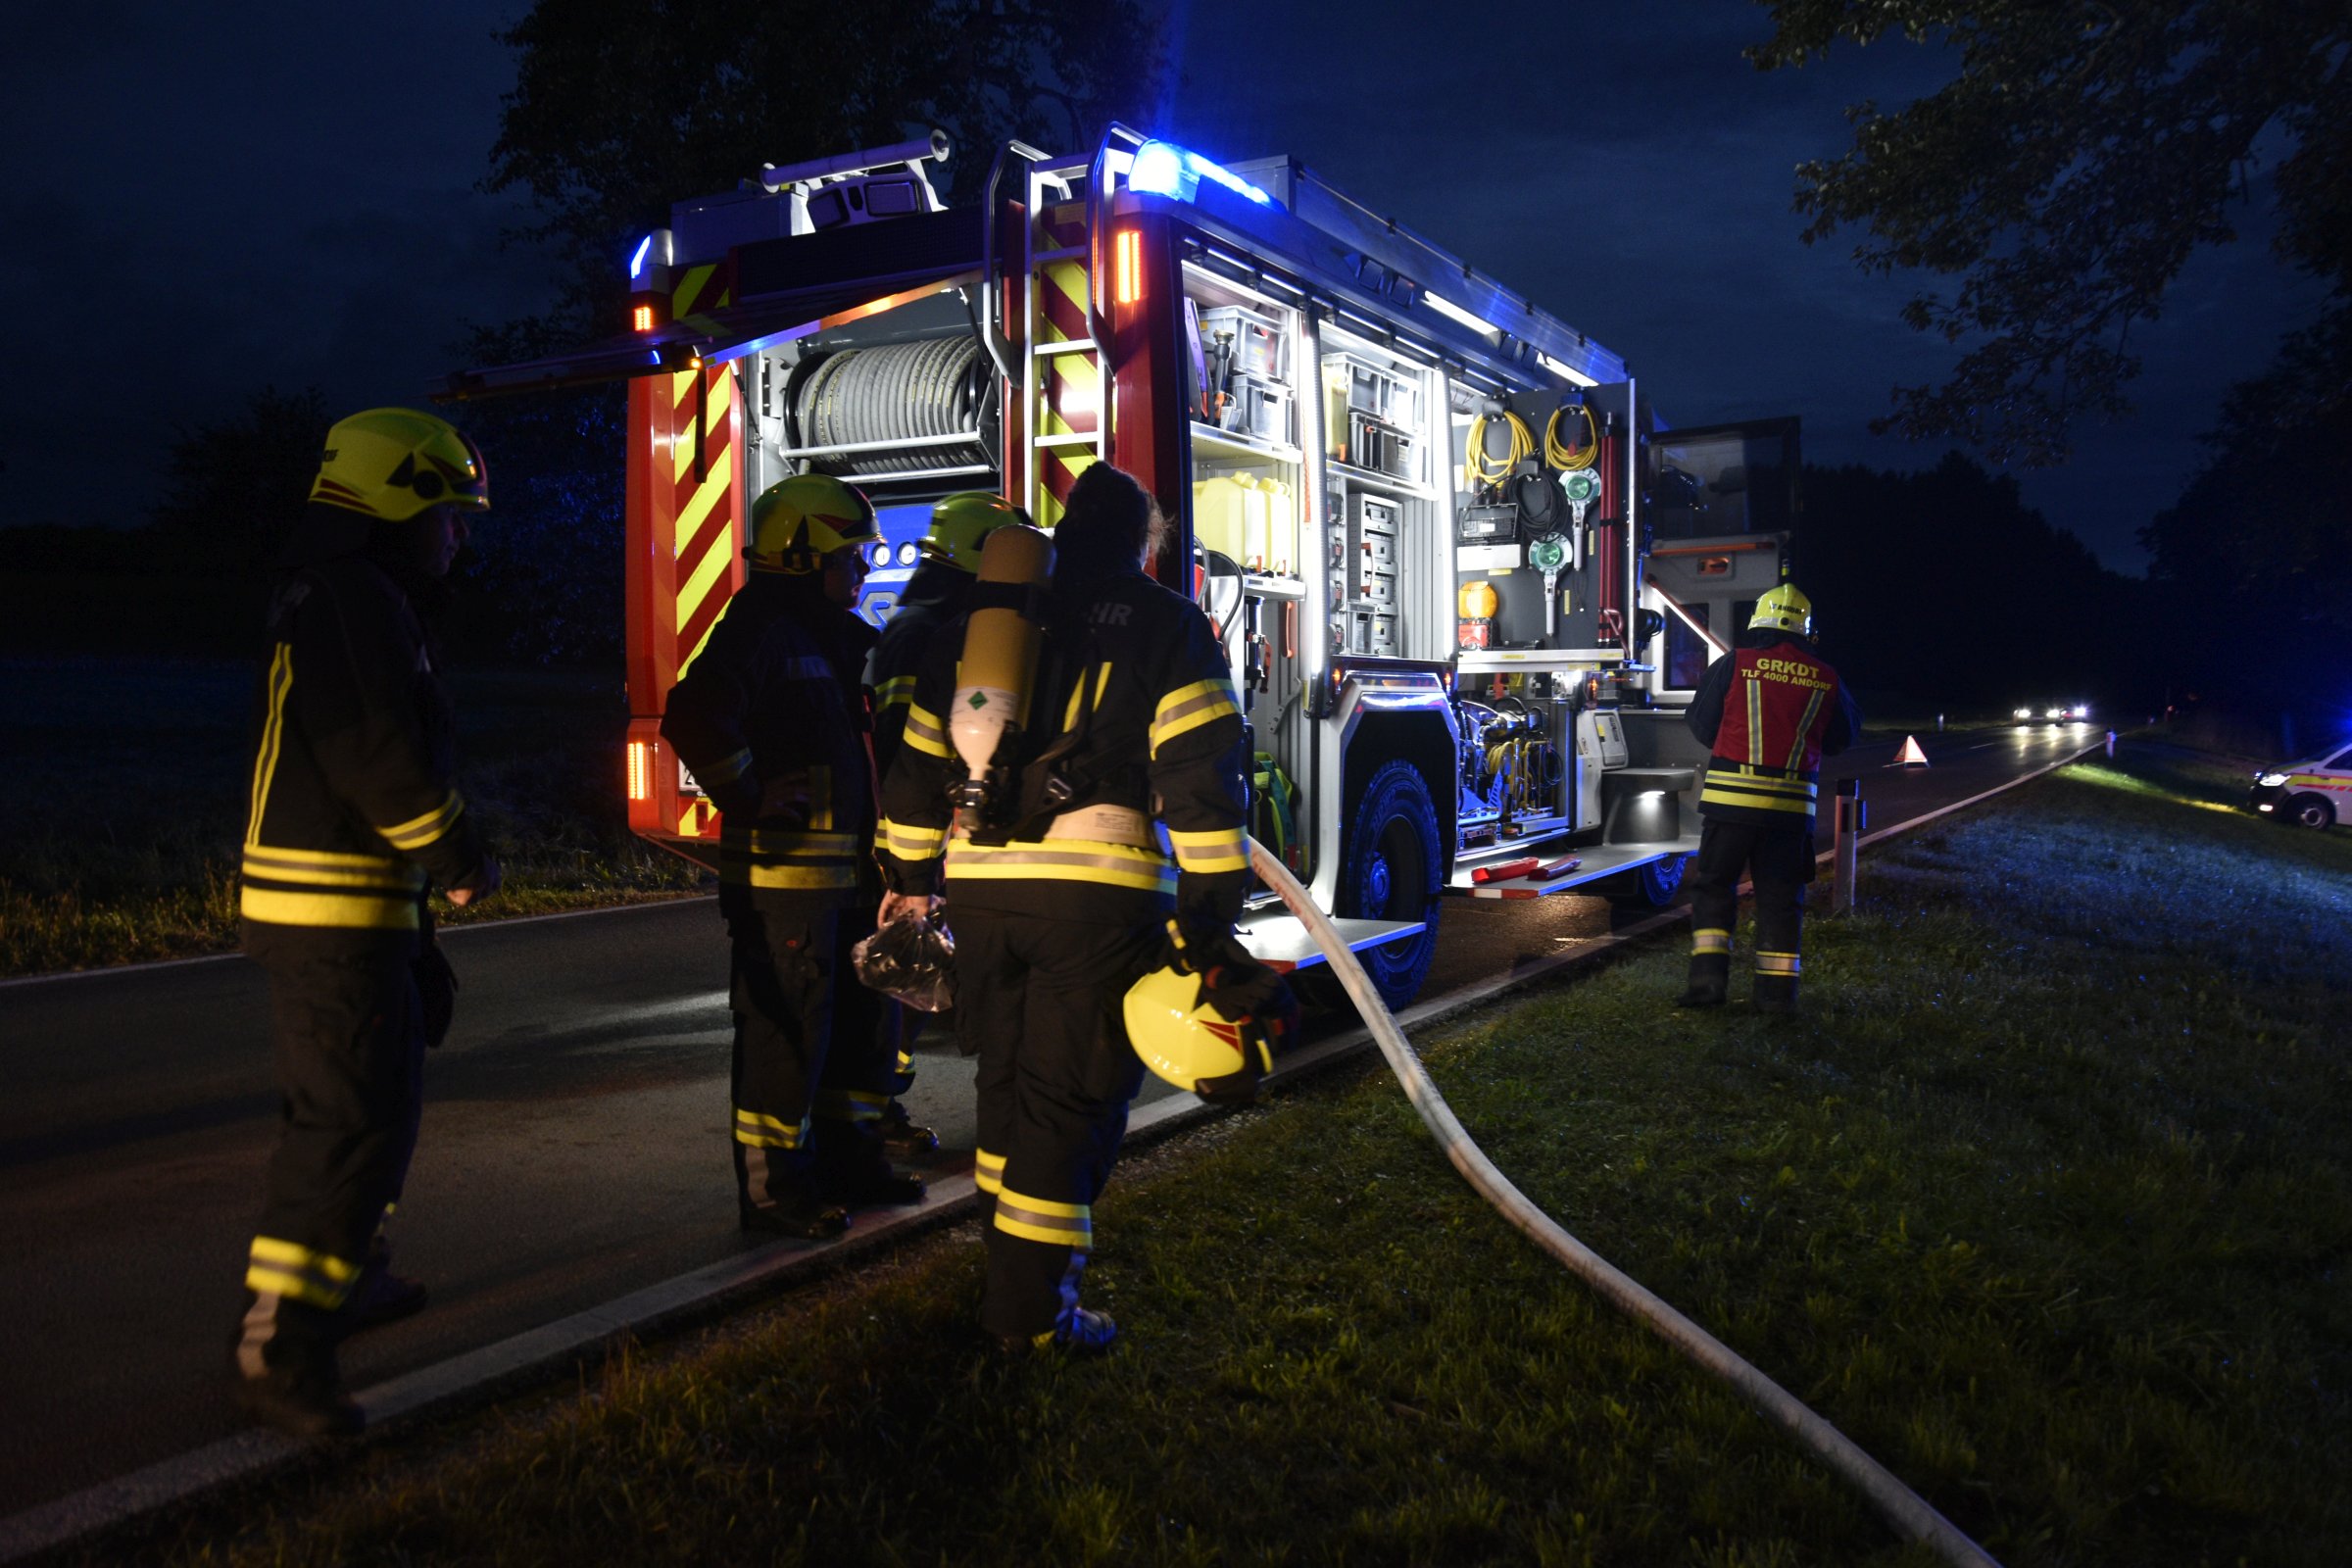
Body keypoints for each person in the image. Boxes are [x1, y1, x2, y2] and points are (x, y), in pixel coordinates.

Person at [875, 463, 1290, 1354]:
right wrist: (1207, 926)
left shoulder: (970, 631)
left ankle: (1006, 1277)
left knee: (1008, 1085)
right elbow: (1203, 783)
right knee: (1070, 1105)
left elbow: (913, 771)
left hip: (979, 894)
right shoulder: (1168, 626)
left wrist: (911, 882)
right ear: (1144, 542)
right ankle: (1032, 1321)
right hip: (1096, 902)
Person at [232, 407, 502, 1437]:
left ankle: (346, 1278)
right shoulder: (358, 601)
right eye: (448, 515)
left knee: (372, 1114)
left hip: (347, 909)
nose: (458, 538)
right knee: (345, 1128)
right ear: (398, 504)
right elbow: (386, 761)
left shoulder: (349, 595)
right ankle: (278, 1347)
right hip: (333, 914)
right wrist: (462, 860)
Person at [662, 471, 924, 1241]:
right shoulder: (760, 626)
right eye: (852, 557)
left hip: (847, 886)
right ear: (804, 556)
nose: (864, 571)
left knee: (861, 1027)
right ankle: (776, 1194)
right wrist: (745, 794)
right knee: (788, 1036)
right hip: (786, 890)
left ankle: (854, 1164)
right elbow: (694, 714)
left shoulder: (842, 637)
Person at [862, 490, 1029, 1154]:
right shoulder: (936, 628)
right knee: (906, 973)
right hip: (918, 838)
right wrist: (920, 866)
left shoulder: (919, 616)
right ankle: (877, 1113)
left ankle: (877, 1108)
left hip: (917, 836)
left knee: (912, 973)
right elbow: (915, 753)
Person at [1678, 583, 1860, 1014]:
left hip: (1729, 807)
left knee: (1714, 890)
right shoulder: (1826, 677)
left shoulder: (1734, 664)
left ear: (1757, 622)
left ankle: (1706, 988)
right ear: (1806, 630)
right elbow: (1842, 739)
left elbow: (1701, 724)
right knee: (1780, 900)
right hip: (1789, 812)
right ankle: (1777, 1000)